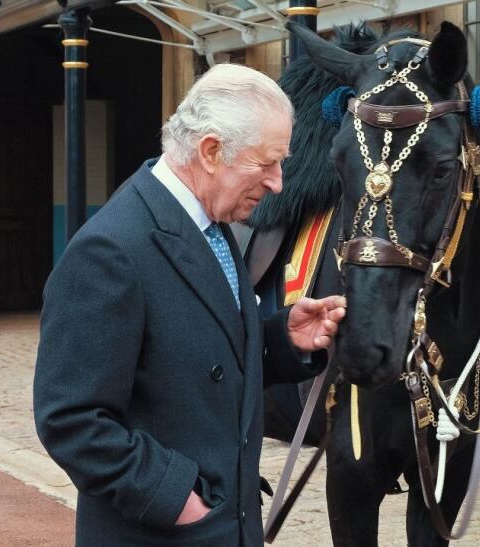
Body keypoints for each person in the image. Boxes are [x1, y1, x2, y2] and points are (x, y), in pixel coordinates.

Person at [33, 63, 347, 546]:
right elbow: (71, 419)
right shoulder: (110, 251)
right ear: (211, 151)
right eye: (266, 163)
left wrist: (281, 338)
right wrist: (178, 498)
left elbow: (196, 355)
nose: (278, 182)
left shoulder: (212, 225)